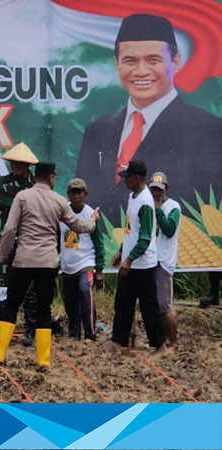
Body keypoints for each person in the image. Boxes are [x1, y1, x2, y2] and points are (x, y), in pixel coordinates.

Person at [76, 13, 222, 222]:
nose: (141, 71)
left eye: (153, 60)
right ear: (117, 63)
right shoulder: (97, 131)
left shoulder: (210, 130)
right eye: (130, 60)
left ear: (176, 61)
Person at [0, 162, 99, 368]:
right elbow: (78, 226)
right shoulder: (58, 200)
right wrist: (93, 221)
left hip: (24, 260)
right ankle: (43, 360)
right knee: (43, 308)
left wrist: (0, 256)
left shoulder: (22, 197)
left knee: (11, 305)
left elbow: (9, 230)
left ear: (35, 176)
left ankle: (0, 352)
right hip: (48, 262)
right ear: (52, 178)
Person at [0, 142, 39, 346]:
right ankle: (3, 328)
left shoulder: (37, 185)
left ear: (28, 165)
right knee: (2, 287)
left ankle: (31, 330)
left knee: (31, 289)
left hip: (30, 245)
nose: (16, 166)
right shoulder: (0, 185)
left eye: (21, 163)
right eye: (13, 162)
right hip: (6, 244)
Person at [108, 160, 167, 356]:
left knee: (148, 305)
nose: (125, 180)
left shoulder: (145, 203)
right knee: (123, 302)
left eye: (129, 177)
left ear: (138, 178)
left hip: (143, 264)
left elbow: (144, 239)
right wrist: (121, 251)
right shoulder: (132, 196)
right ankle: (118, 341)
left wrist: (129, 259)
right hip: (131, 262)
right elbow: (130, 231)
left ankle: (160, 345)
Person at [59, 178, 105, 341]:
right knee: (70, 301)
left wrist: (99, 270)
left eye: (80, 192)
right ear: (68, 194)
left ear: (85, 194)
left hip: (86, 263)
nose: (76, 196)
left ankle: (90, 333)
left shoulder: (91, 214)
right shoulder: (62, 213)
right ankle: (74, 333)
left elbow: (99, 243)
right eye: (73, 192)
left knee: (85, 291)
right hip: (67, 265)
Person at [150, 171, 180, 348]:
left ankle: (173, 342)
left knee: (164, 305)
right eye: (153, 188)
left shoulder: (173, 207)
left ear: (166, 189)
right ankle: (165, 341)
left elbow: (169, 230)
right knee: (156, 304)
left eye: (159, 189)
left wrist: (159, 211)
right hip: (152, 260)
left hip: (164, 261)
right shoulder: (147, 205)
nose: (156, 193)